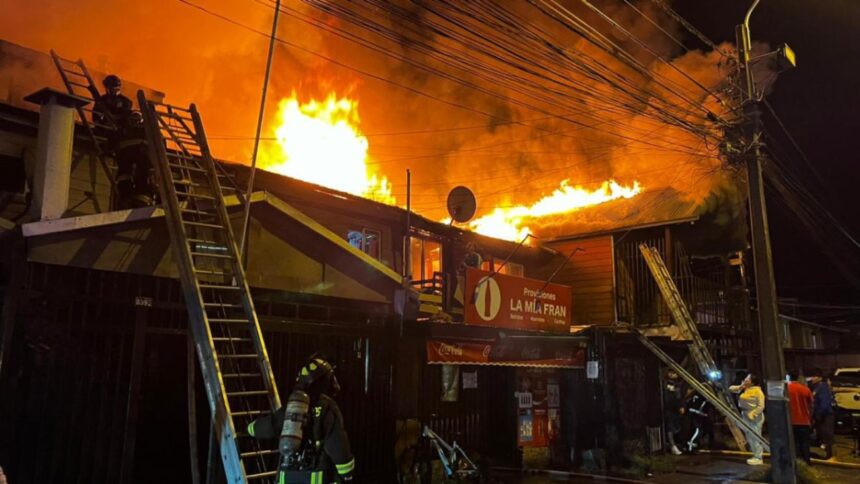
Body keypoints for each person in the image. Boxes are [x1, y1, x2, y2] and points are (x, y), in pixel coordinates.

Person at [248, 357, 354, 483]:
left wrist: (250, 428)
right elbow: (337, 446)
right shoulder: (327, 407)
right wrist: (347, 475)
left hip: (286, 478)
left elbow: (267, 426)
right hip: (314, 478)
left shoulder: (292, 407)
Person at [114, 111, 155, 208]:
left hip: (132, 162)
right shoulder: (126, 131)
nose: (135, 122)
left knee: (138, 176)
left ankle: (133, 199)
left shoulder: (125, 131)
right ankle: (131, 199)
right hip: (131, 161)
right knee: (132, 176)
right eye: (133, 120)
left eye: (137, 120)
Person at [729, 373, 766, 465]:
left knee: (755, 436)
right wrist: (741, 386)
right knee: (749, 437)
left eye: (748, 379)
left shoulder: (758, 391)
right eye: (746, 378)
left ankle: (758, 457)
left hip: (754, 416)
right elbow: (731, 389)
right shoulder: (746, 389)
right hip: (745, 414)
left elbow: (761, 406)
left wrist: (753, 414)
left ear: (752, 382)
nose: (745, 380)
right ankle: (755, 455)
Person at [787, 370, 813, 463]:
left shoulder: (786, 389)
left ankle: (796, 463)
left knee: (794, 443)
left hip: (791, 421)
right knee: (805, 443)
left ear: (789, 378)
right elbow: (811, 405)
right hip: (804, 421)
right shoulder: (805, 389)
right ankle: (806, 462)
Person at [810, 369, 835, 460]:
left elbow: (824, 402)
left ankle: (828, 454)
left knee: (826, 434)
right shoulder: (818, 387)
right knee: (822, 434)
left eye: (814, 376)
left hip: (825, 415)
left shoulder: (822, 387)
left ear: (820, 378)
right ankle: (826, 453)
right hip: (822, 414)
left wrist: (819, 414)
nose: (812, 378)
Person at [663, 370, 684, 455]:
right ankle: (672, 446)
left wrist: (681, 406)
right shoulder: (667, 385)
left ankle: (676, 444)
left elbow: (679, 397)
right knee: (670, 427)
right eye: (673, 373)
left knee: (676, 426)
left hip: (675, 409)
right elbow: (670, 398)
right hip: (670, 409)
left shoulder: (677, 384)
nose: (676, 375)